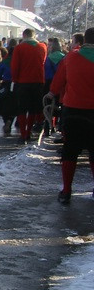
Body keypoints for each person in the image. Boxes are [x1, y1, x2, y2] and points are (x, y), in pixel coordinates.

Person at [49, 28, 94, 204]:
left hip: (73, 109)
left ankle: (66, 190)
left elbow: (59, 81)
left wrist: (52, 93)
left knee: (70, 151)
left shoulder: (71, 58)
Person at [10, 28, 47, 143]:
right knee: (33, 108)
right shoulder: (42, 47)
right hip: (38, 81)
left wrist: (15, 79)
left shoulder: (19, 48)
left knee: (22, 108)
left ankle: (23, 133)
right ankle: (29, 131)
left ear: (24, 36)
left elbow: (15, 66)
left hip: (23, 81)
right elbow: (43, 62)